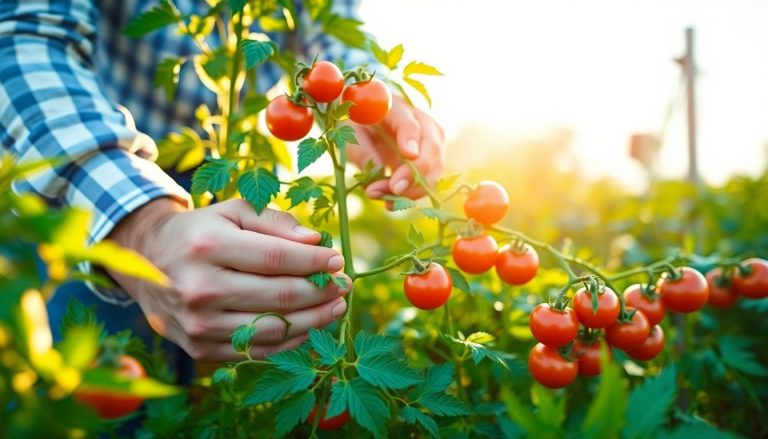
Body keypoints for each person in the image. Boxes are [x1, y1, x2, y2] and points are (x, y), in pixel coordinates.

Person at [0, 0, 445, 364]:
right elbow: (19, 37)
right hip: (86, 174)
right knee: (95, 378)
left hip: (220, 174)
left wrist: (370, 94)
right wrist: (139, 227)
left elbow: (332, 23)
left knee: (231, 364)